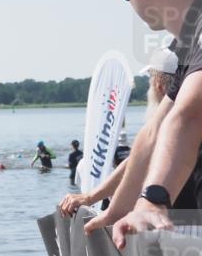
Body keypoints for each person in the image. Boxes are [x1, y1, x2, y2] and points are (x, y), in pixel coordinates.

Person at [82, 0, 202, 247]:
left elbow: (189, 116)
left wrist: (153, 200)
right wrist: (116, 209)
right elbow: (154, 131)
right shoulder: (186, 40)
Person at [60, 52, 196, 217]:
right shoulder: (193, 115)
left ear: (159, 85)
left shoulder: (171, 122)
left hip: (184, 222)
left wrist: (90, 198)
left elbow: (138, 162)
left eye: (150, 82)